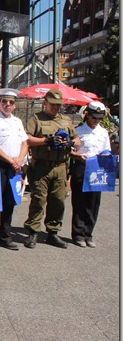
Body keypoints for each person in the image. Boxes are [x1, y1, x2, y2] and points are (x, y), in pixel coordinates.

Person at [22, 89, 80, 249]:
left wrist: (71, 143)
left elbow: (77, 139)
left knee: (58, 201)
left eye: (58, 105)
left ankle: (53, 233)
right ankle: (33, 231)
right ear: (45, 103)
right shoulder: (37, 119)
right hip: (42, 166)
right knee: (39, 200)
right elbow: (27, 139)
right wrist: (46, 141)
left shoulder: (66, 120)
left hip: (61, 166)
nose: (55, 108)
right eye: (52, 105)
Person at [0, 88, 28, 250]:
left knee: (10, 202)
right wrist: (10, 160)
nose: (7, 105)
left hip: (15, 166)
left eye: (11, 102)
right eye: (4, 102)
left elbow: (24, 142)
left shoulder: (17, 122)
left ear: (15, 105)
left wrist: (20, 160)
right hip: (0, 165)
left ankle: (4, 236)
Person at [69, 101, 112, 247]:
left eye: (99, 118)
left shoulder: (103, 132)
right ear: (87, 114)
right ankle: (78, 234)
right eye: (94, 117)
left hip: (97, 169)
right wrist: (77, 156)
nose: (96, 121)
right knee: (79, 202)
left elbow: (107, 149)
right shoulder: (78, 131)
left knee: (93, 203)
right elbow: (70, 150)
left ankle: (88, 233)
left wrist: (107, 155)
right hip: (82, 166)